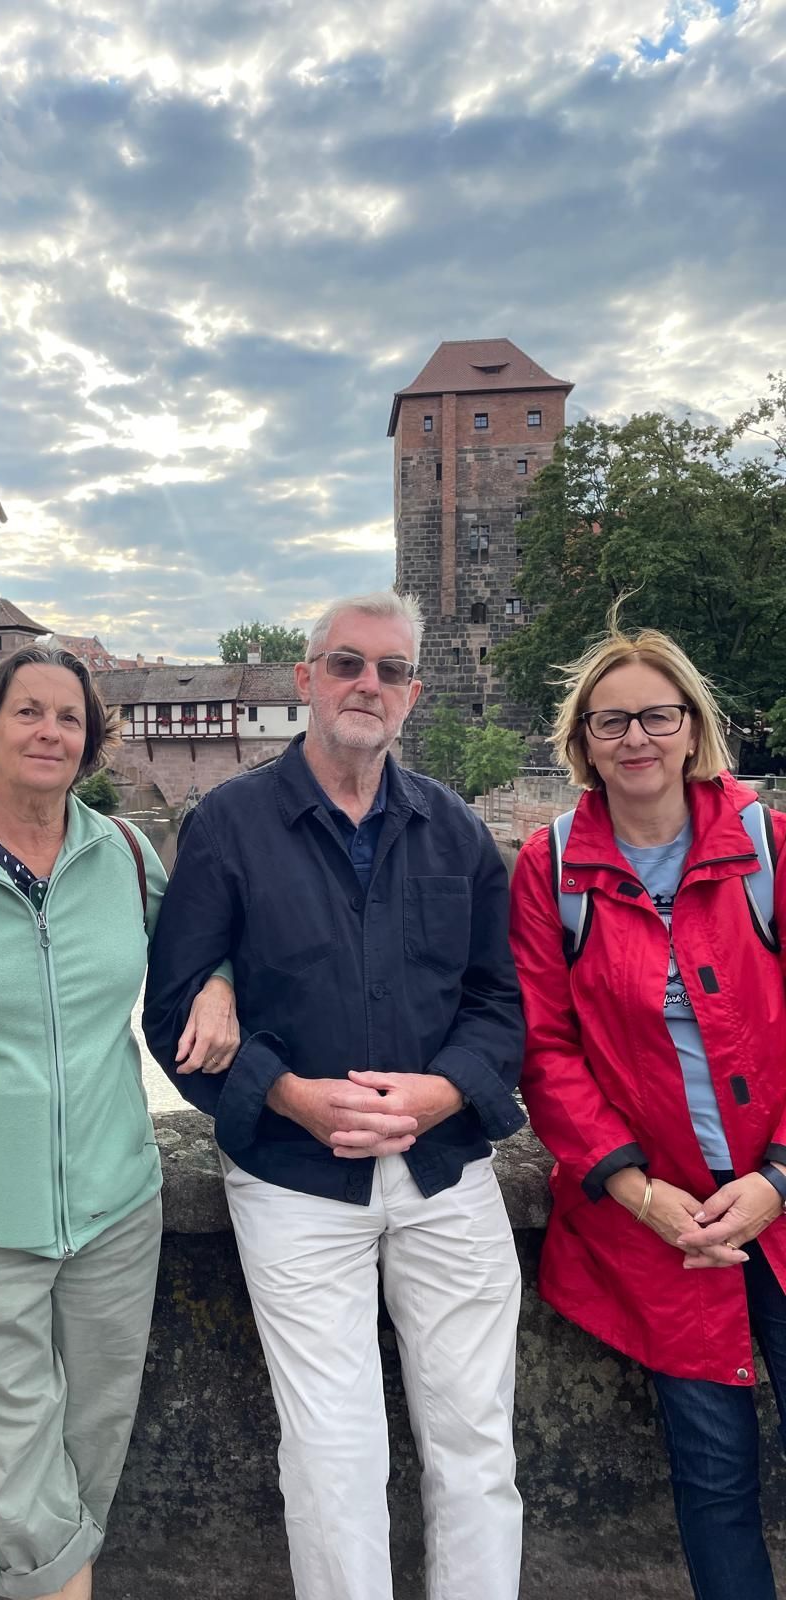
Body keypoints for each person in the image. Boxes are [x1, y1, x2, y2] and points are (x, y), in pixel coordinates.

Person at [143, 590, 526, 1600]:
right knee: (332, 1453)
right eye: (348, 663)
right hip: (295, 1177)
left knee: (478, 1443)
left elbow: (500, 1005)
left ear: (413, 695)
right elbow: (172, 1011)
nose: (369, 684)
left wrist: (445, 1092)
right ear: (306, 678)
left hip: (445, 1171)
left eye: (391, 670)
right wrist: (288, 1097)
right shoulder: (227, 825)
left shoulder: (455, 832)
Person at [0, 644, 239, 1600]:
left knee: (95, 1431)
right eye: (27, 712)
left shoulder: (126, 855)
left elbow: (199, 948)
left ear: (89, 742)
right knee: (7, 1443)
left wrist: (220, 985)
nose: (49, 731)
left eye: (69, 718)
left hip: (118, 1202)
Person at [510, 624, 786, 1600]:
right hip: (660, 1217)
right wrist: (641, 1195)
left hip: (779, 1196)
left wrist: (777, 1177)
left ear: (692, 729)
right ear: (583, 742)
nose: (636, 737)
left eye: (657, 716)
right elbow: (545, 1051)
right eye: (611, 721)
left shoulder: (767, 847)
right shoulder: (551, 869)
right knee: (713, 1477)